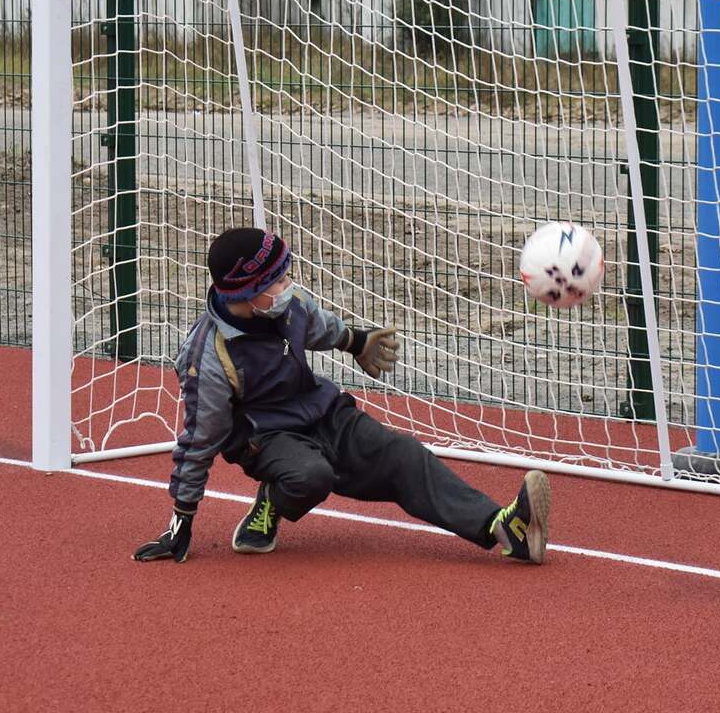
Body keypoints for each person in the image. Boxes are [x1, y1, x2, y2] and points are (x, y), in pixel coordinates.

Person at [133, 227, 552, 565]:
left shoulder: (285, 304)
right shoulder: (208, 355)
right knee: (311, 475)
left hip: (322, 409)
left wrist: (357, 341)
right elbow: (199, 439)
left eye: (286, 273)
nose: (288, 284)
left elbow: (318, 325)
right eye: (277, 280)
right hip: (266, 437)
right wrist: (181, 520)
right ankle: (270, 504)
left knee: (403, 454)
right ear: (245, 293)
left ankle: (503, 529)